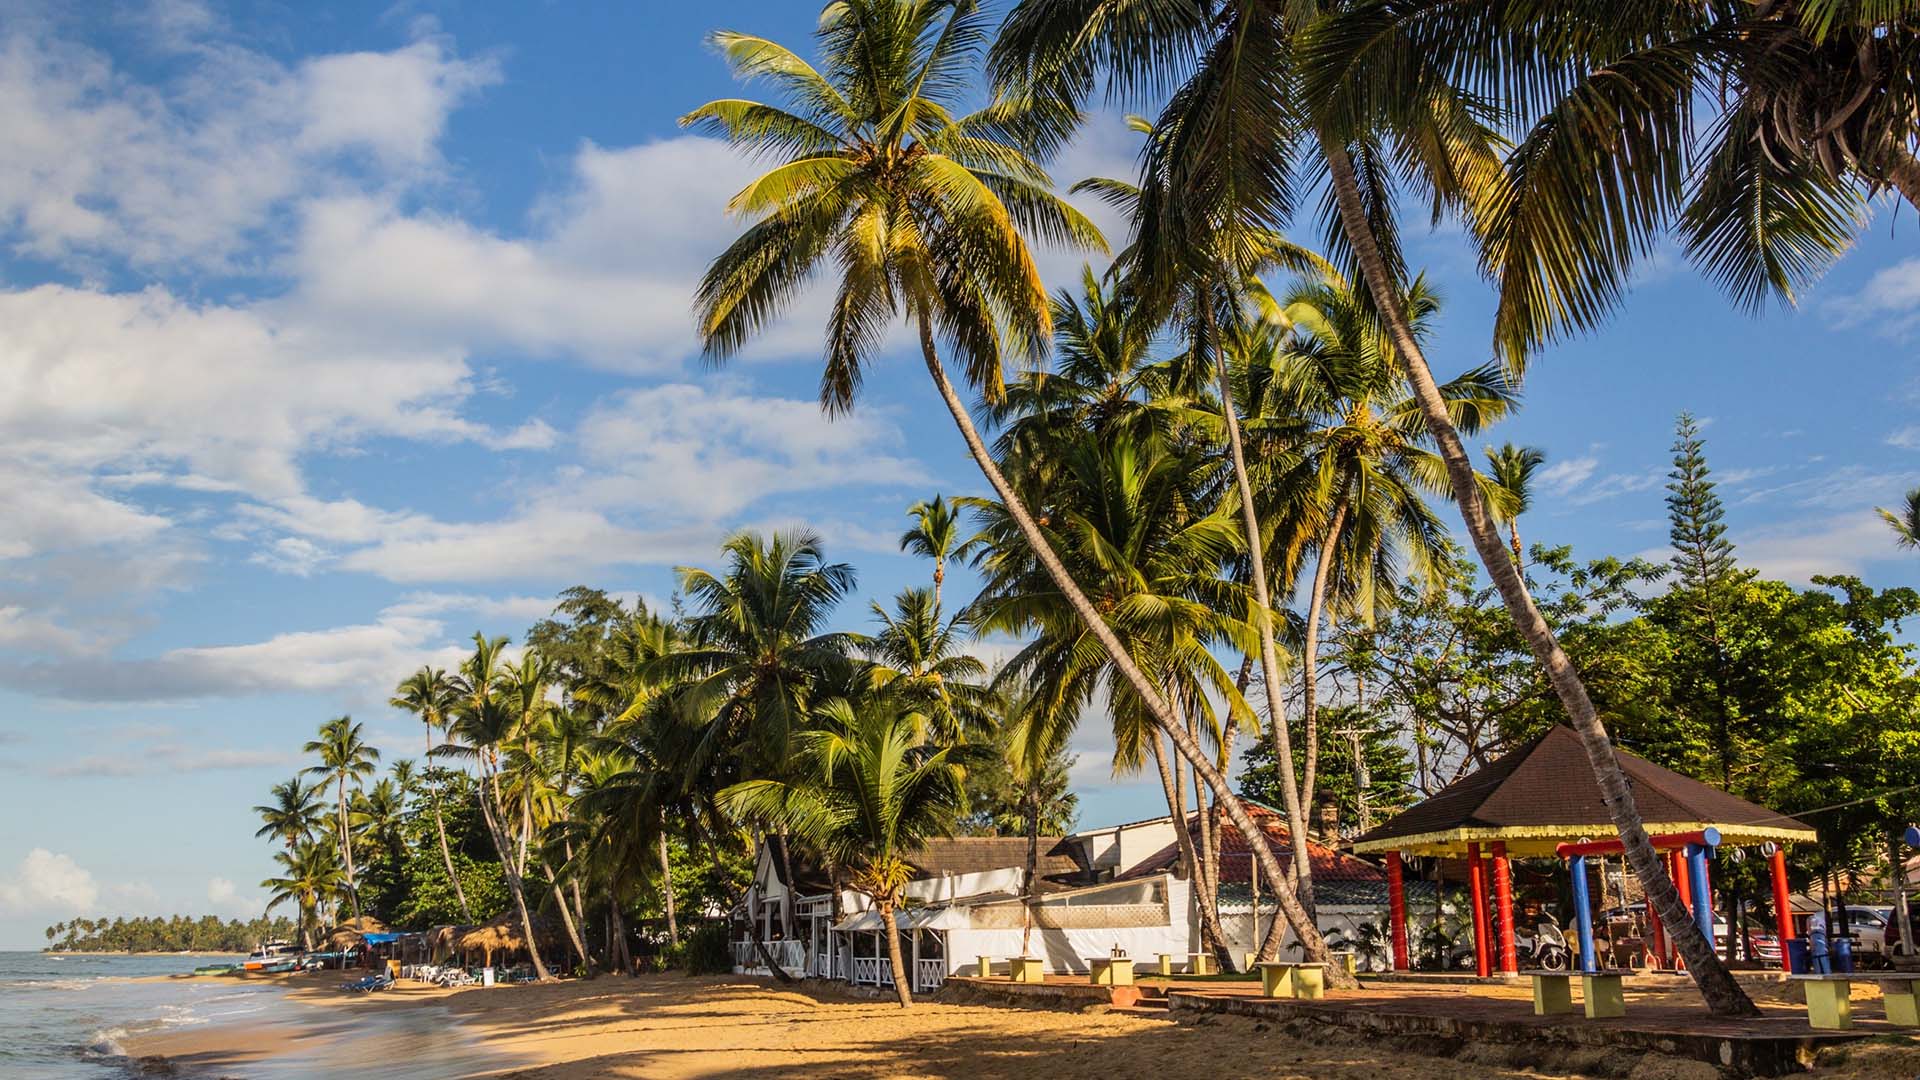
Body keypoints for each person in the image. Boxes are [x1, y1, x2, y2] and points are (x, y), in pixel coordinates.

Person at [1806, 909, 1831, 975]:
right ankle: (1827, 972)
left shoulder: (1809, 918)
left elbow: (1809, 930)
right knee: (1823, 954)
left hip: (1813, 936)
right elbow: (1825, 930)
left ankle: (1818, 972)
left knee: (1815, 955)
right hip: (1822, 935)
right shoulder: (1822, 918)